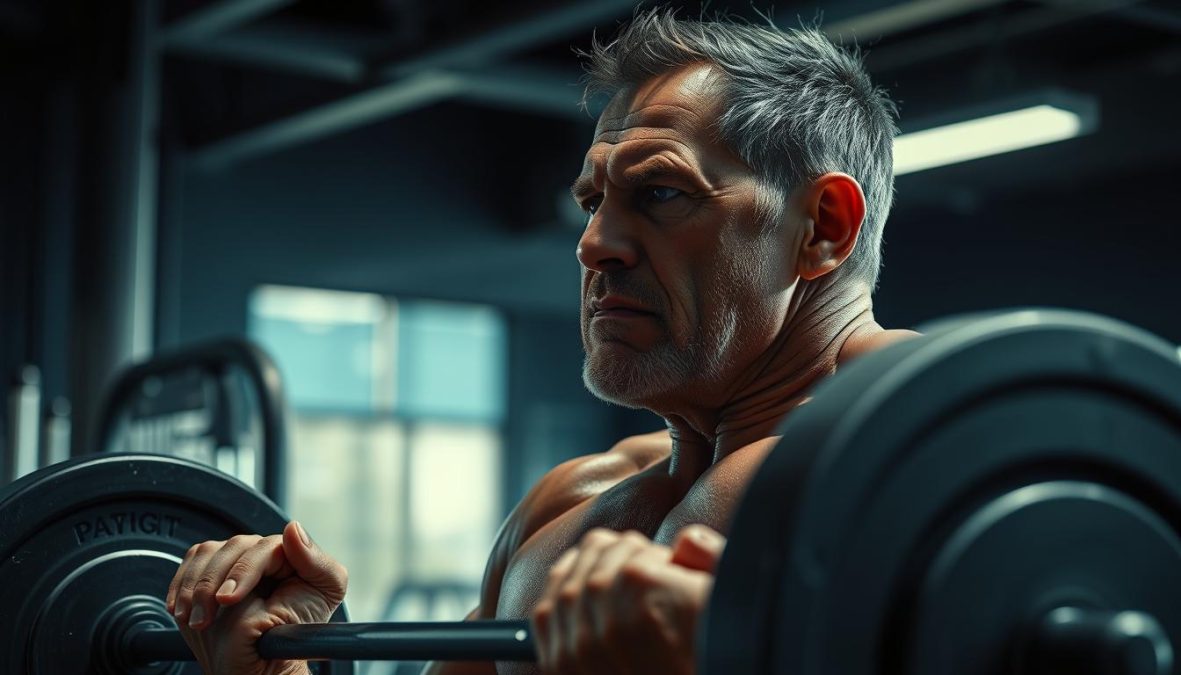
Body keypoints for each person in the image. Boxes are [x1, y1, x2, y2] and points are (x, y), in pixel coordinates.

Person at [166, 9, 914, 675]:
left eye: (659, 192)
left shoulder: (933, 460)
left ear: (823, 227)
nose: (594, 245)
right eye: (592, 202)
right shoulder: (566, 506)